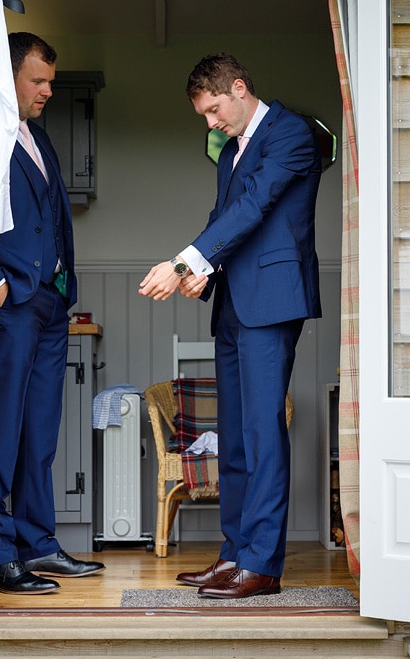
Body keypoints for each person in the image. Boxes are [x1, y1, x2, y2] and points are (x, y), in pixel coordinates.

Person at [139, 53, 321, 599]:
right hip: (233, 306)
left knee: (264, 434)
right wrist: (206, 270)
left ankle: (262, 565)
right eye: (204, 115)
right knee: (237, 437)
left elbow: (256, 207)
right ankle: (235, 555)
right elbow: (224, 221)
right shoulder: (228, 154)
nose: (211, 123)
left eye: (214, 109)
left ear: (239, 87)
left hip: (271, 303)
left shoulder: (292, 133)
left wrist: (182, 264)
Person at [0, 32, 104, 595]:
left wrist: (62, 289)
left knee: (40, 432)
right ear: (9, 77)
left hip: (50, 305)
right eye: (39, 80)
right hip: (10, 305)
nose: (49, 89)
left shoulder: (40, 139)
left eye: (51, 80)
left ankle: (37, 543)